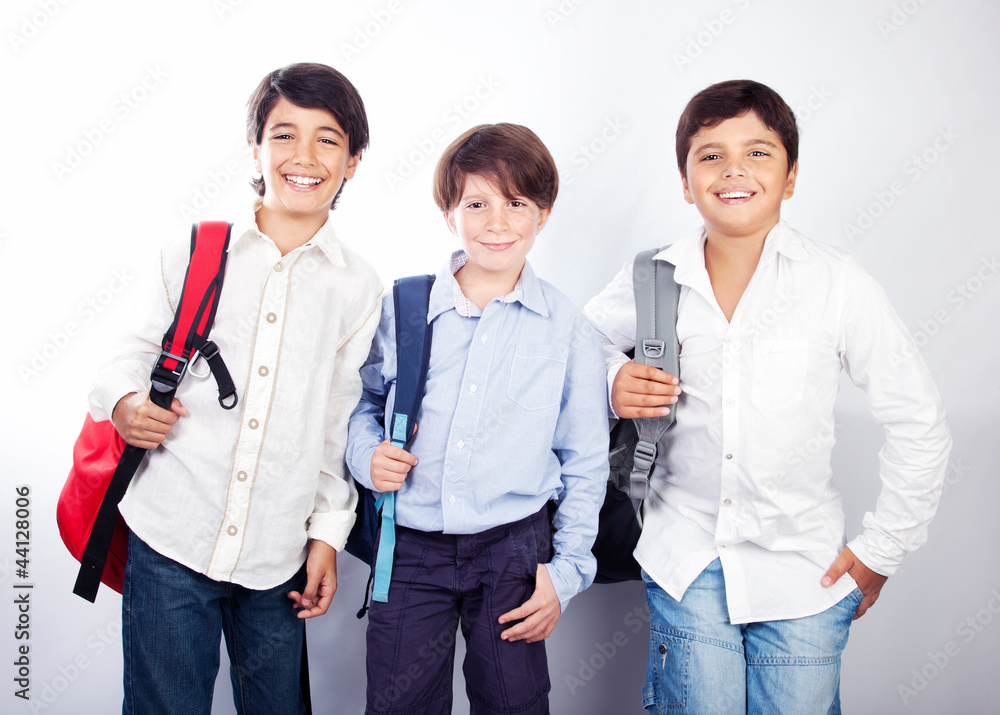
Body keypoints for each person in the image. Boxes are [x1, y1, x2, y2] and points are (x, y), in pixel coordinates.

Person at [583, 80, 952, 714]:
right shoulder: (653, 276)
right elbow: (574, 347)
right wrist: (612, 376)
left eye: (757, 152)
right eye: (710, 155)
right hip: (685, 556)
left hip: (804, 571)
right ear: (685, 181)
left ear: (791, 175)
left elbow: (919, 419)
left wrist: (883, 548)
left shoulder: (837, 282)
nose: (734, 170)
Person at [88, 62, 382, 715]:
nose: (304, 156)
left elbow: (336, 425)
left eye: (328, 139)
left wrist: (328, 535)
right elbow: (126, 355)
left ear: (354, 160)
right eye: (284, 135)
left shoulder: (358, 287)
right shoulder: (198, 248)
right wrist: (126, 403)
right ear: (255, 148)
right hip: (172, 532)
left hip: (278, 554)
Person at [346, 123, 609, 715]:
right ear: (449, 214)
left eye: (517, 203)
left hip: (514, 550)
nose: (497, 222)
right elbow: (361, 403)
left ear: (543, 215)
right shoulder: (405, 308)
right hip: (410, 547)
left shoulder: (566, 327)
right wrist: (367, 455)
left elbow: (585, 459)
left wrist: (566, 572)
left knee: (514, 703)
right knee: (399, 705)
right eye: (476, 204)